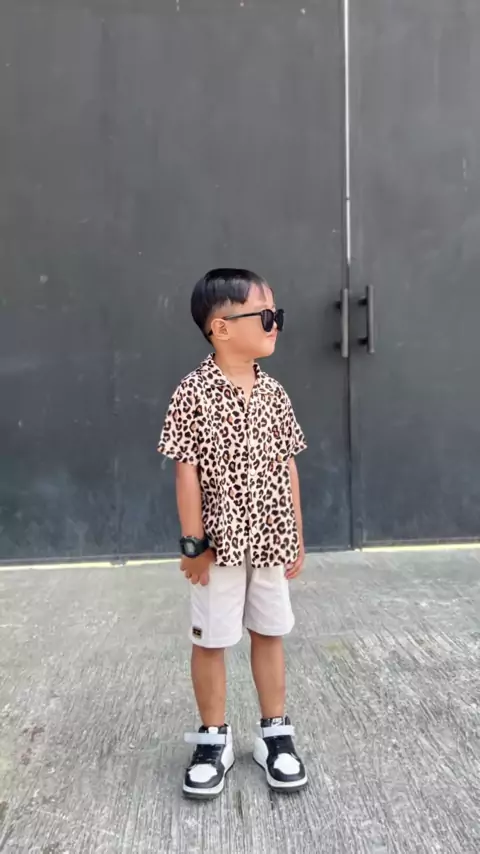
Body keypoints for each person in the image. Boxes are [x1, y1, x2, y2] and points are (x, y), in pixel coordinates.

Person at [158, 268, 308, 800]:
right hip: (217, 548)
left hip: (269, 541)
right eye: (265, 316)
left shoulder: (275, 394)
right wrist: (193, 544)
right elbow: (186, 471)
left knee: (270, 631)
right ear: (221, 328)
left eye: (276, 315)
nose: (275, 324)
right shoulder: (193, 392)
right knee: (212, 639)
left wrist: (297, 533)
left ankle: (275, 732)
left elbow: (288, 464)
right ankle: (213, 737)